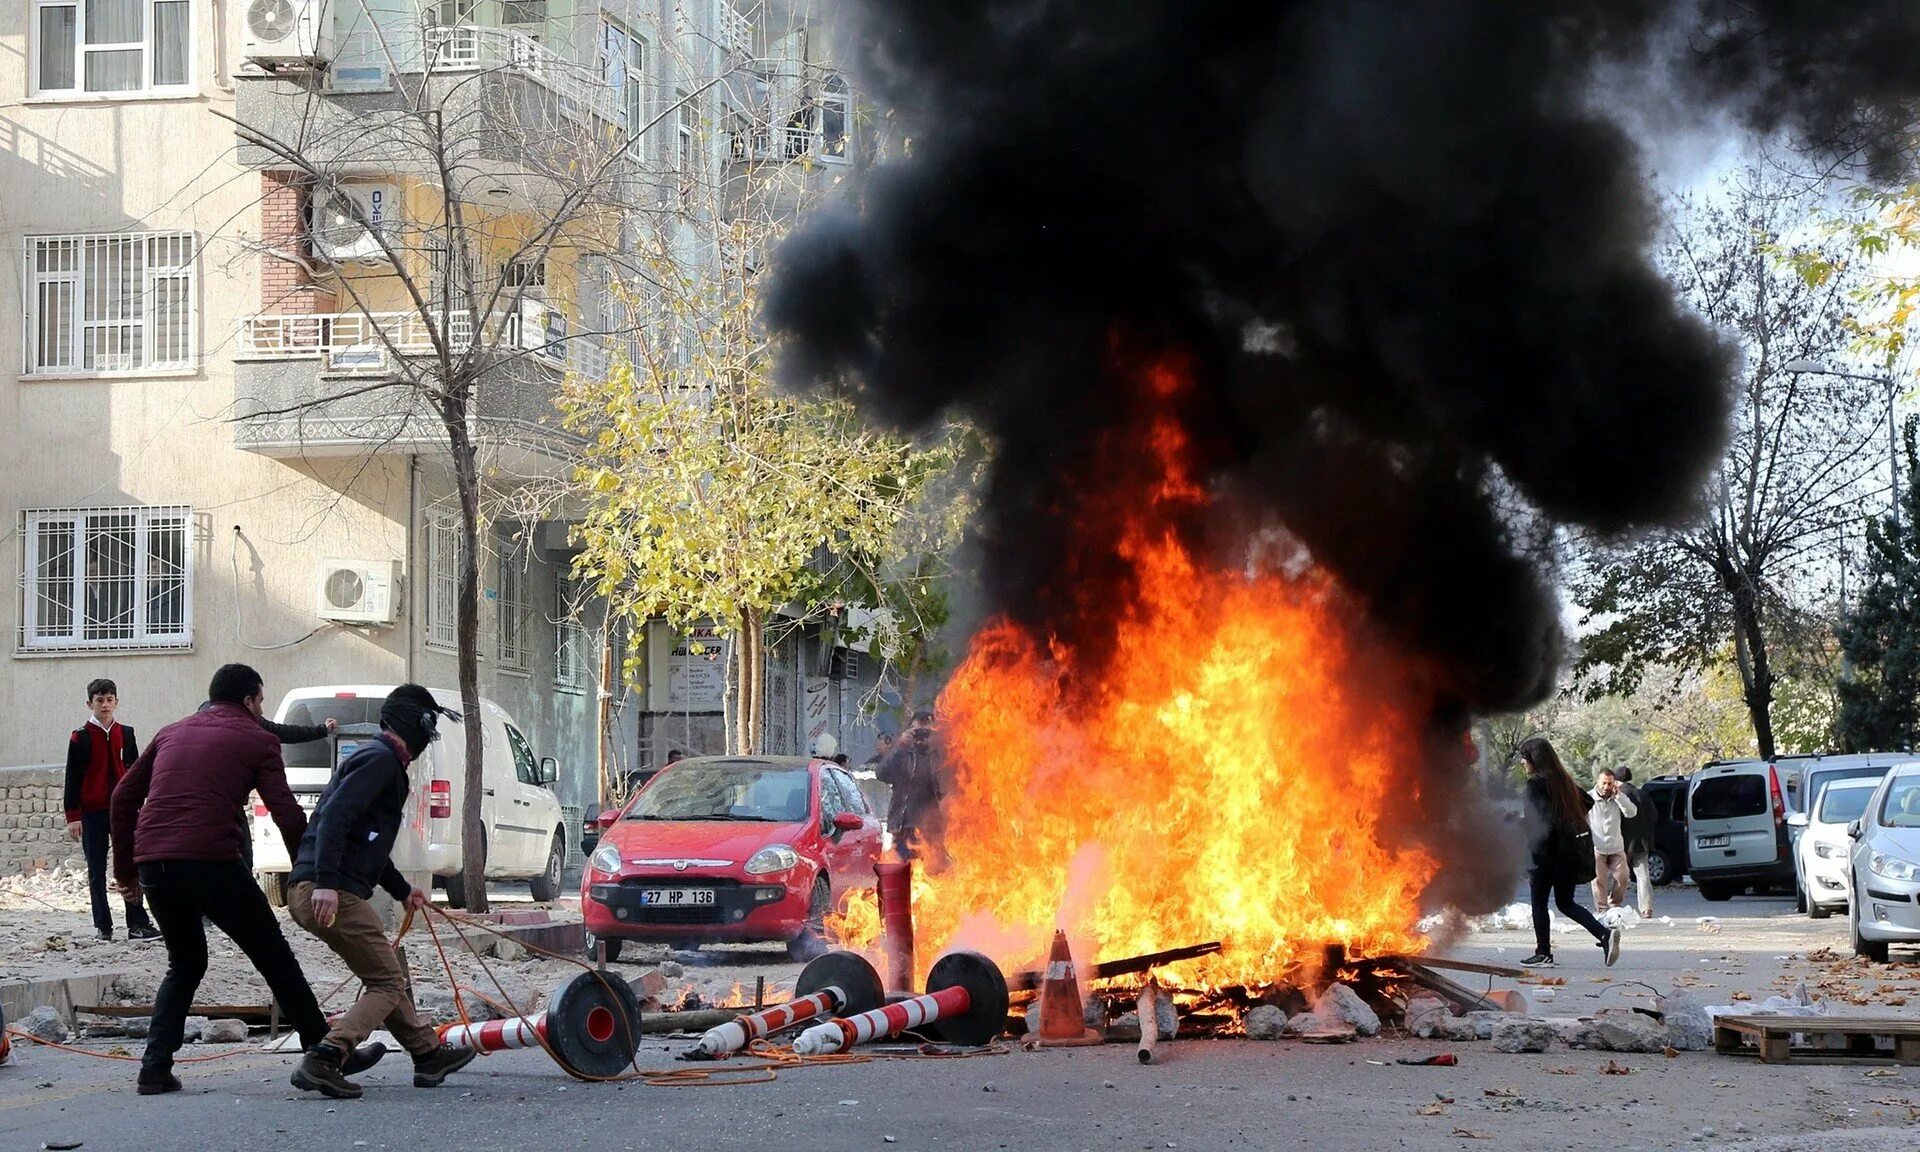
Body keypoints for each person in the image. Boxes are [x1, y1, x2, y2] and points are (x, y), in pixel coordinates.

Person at [109, 664, 381, 1095]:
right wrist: (306, 873)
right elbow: (287, 813)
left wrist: (126, 871)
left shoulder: (171, 732)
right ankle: (323, 1053)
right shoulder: (258, 738)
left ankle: (154, 1068)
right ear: (251, 700)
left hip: (156, 863)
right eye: (261, 700)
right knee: (274, 956)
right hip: (213, 861)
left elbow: (122, 797)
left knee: (185, 963)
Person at [285, 684, 475, 1100]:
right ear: (413, 724)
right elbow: (335, 817)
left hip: (325, 886)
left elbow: (368, 846)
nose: (430, 737)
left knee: (385, 973)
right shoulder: (380, 760)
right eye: (429, 725)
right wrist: (328, 884)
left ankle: (428, 1056)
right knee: (388, 982)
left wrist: (405, 890)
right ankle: (325, 1057)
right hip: (329, 890)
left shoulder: (383, 762)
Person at [64, 678, 158, 941]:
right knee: (96, 869)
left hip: (123, 811)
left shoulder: (126, 733)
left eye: (109, 699)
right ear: (89, 704)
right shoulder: (80, 737)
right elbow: (72, 777)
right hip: (92, 813)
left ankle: (137, 923)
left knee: (128, 866)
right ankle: (102, 926)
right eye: (99, 700)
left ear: (116, 701)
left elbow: (136, 771)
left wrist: (141, 804)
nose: (105, 705)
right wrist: (73, 816)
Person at [1517, 736, 1620, 968]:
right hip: (1568, 853)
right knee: (1565, 902)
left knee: (1539, 902)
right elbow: (1587, 802)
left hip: (1547, 854)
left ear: (1534, 760)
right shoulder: (1563, 780)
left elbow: (1538, 821)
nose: (1523, 763)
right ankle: (1604, 934)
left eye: (1524, 759)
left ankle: (1543, 952)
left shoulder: (1535, 784)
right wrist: (1568, 820)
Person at [877, 710, 943, 860]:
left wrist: (938, 745)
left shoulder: (938, 755)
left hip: (929, 829)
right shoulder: (902, 754)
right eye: (917, 732)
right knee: (901, 873)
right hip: (902, 826)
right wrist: (899, 746)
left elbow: (944, 789)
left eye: (925, 732)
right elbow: (881, 773)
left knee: (930, 876)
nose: (921, 737)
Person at [1589, 768, 1639, 915]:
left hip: (1616, 847)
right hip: (1597, 847)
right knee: (1599, 881)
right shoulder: (1589, 798)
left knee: (1623, 878)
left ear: (1614, 784)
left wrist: (1620, 797)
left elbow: (1631, 812)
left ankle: (1614, 904)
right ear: (1597, 782)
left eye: (1610, 783)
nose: (1606, 787)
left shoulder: (1618, 797)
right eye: (1604, 783)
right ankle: (1602, 910)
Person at [1616, 766, 1655, 918]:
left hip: (1623, 841)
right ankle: (1646, 908)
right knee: (1643, 874)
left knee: (1618, 874)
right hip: (1642, 842)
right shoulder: (1642, 793)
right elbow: (1654, 815)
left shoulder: (1620, 795)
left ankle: (1612, 905)